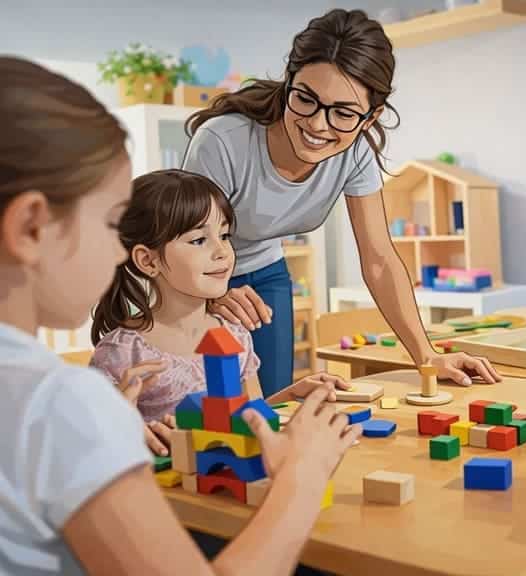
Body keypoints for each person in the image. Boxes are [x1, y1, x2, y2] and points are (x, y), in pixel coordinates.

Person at [0, 55, 360, 576]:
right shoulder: (56, 401)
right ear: (32, 227)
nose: (118, 253)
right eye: (108, 223)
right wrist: (303, 476)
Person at [182, 8, 501, 397]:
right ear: (288, 84)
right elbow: (184, 242)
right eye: (305, 99)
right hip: (189, 273)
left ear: (370, 117)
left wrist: (426, 357)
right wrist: (212, 293)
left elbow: (379, 259)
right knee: (204, 401)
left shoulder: (355, 155)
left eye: (344, 113)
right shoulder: (223, 141)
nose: (318, 125)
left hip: (264, 271)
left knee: (274, 401)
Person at [89, 169, 350, 455]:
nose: (223, 251)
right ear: (148, 260)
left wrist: (293, 395)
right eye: (199, 240)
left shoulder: (235, 334)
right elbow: (93, 451)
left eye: (225, 235)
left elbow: (247, 417)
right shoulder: (121, 353)